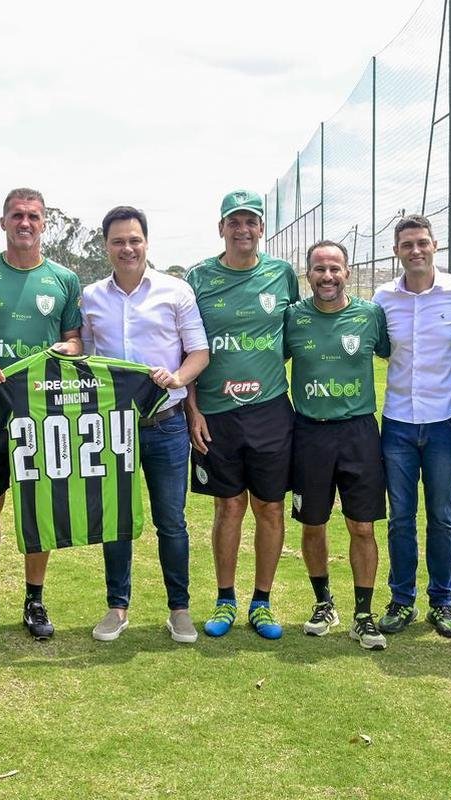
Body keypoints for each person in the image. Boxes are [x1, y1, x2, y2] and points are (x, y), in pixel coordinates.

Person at [0, 187, 82, 641]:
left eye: (33, 216)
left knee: (38, 509)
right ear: (3, 221)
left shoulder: (64, 279)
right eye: (16, 215)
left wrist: (66, 348)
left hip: (42, 415)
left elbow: (76, 340)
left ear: (43, 223)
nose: (24, 223)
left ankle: (35, 600)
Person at [80, 206, 209, 643]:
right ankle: (117, 607)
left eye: (134, 240)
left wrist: (178, 378)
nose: (127, 248)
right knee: (115, 519)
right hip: (112, 427)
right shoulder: (91, 296)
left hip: (166, 424)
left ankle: (179, 609)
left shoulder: (176, 290)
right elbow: (88, 360)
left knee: (171, 521)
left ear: (147, 243)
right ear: (106, 247)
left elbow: (199, 352)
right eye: (118, 241)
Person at [185, 190, 300, 640]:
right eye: (234, 222)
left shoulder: (281, 274)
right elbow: (187, 346)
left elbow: (291, 336)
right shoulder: (198, 277)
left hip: (270, 411)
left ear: (261, 228)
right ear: (221, 228)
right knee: (229, 506)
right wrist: (193, 409)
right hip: (217, 413)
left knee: (269, 507)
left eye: (251, 221)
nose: (243, 229)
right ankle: (225, 599)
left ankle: (262, 602)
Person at [372, 215, 451, 638]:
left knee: (442, 516)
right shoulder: (382, 299)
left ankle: (442, 602)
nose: (415, 250)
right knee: (400, 517)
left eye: (422, 242)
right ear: (396, 251)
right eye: (407, 244)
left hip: (445, 423)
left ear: (435, 245)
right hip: (397, 423)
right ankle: (401, 600)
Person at [285, 240, 391, 650]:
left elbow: (399, 355)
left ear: (347, 272)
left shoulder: (370, 315)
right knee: (313, 523)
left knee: (362, 526)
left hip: (358, 432)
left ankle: (363, 615)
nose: (327, 276)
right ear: (308, 274)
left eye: (334, 269)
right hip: (310, 432)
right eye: (319, 269)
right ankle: (323, 603)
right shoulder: (293, 318)